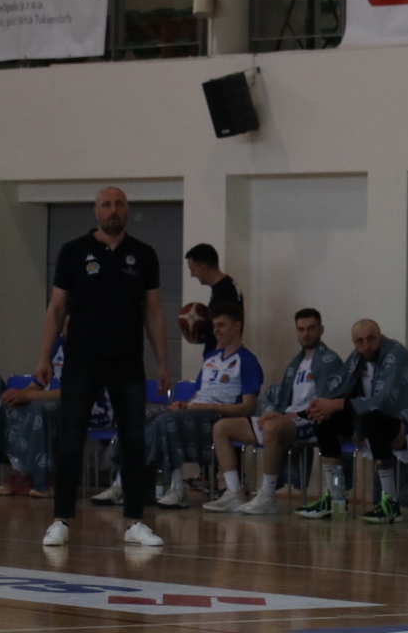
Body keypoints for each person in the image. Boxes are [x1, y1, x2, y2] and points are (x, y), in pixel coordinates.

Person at [40, 186, 171, 548]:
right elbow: (56, 308)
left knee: (133, 441)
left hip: (128, 361)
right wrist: (44, 357)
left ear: (127, 209)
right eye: (106, 205)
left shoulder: (144, 254)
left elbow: (154, 311)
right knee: (70, 440)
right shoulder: (73, 251)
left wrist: (163, 363)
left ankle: (134, 522)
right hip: (81, 360)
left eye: (119, 204)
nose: (113, 210)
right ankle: (61, 519)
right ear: (96, 212)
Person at [204, 307, 346, 515]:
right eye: (301, 329)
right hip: (287, 417)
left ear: (321, 329)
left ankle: (267, 496)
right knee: (221, 427)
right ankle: (234, 492)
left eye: (311, 328)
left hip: (311, 421)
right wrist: (274, 413)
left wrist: (284, 416)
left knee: (271, 427)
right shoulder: (295, 363)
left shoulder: (329, 360)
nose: (306, 334)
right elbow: (285, 400)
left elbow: (327, 402)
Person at [296, 319, 408, 525]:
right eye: (359, 341)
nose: (366, 345)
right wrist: (318, 408)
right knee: (325, 421)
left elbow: (385, 399)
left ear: (381, 336)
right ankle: (335, 498)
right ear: (354, 343)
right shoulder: (358, 358)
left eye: (371, 339)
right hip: (376, 421)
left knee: (372, 420)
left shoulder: (396, 353)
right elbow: (338, 389)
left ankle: (391, 503)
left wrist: (336, 404)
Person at [144, 302, 262, 508]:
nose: (216, 330)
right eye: (214, 326)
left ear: (237, 325)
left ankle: (176, 488)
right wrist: (183, 403)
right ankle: (124, 483)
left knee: (167, 421)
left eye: (221, 325)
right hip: (196, 412)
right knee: (144, 418)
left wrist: (211, 407)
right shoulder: (210, 358)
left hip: (217, 415)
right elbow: (200, 394)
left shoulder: (248, 361)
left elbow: (247, 408)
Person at [0, 319, 112, 497]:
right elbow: (38, 383)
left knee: (42, 410)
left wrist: (28, 396)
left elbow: (75, 392)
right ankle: (20, 474)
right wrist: (19, 394)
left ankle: (48, 479)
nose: (67, 328)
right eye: (64, 323)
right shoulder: (58, 345)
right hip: (58, 405)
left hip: (92, 410)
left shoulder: (95, 349)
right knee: (2, 407)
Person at [184, 242, 242, 354]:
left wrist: (217, 360)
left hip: (221, 357)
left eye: (193, 270)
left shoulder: (224, 292)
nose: (192, 274)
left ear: (204, 268)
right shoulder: (227, 285)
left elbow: (227, 329)